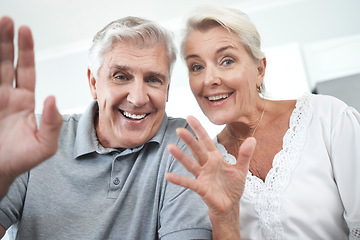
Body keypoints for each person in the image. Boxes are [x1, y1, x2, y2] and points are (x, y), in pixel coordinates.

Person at [0, 15, 256, 239]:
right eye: (121, 77)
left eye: (153, 80)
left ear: (167, 90)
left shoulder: (181, 142)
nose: (137, 98)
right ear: (93, 83)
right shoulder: (36, 134)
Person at [165, 4, 360, 240]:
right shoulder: (206, 167)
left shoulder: (327, 118)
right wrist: (223, 217)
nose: (209, 79)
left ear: (260, 69)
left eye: (226, 61)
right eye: (196, 66)